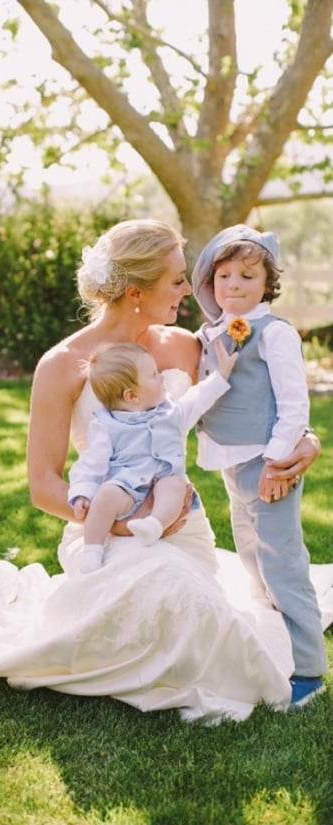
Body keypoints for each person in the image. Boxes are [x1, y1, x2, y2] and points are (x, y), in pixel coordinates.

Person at [0, 219, 332, 723]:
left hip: (180, 522)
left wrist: (305, 442)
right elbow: (44, 486)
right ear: (137, 292)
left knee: (184, 592)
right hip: (99, 526)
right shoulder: (62, 365)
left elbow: (246, 405)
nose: (191, 290)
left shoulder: (186, 346)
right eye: (178, 280)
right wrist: (113, 524)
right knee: (157, 583)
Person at [191, 223, 328, 708]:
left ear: (267, 283)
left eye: (247, 276)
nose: (232, 285)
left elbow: (293, 405)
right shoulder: (209, 333)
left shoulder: (275, 332)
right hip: (231, 461)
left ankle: (310, 669)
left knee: (282, 560)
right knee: (248, 550)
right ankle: (275, 633)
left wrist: (276, 463)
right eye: (223, 275)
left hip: (265, 462)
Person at [69, 340, 237, 572]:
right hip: (126, 485)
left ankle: (154, 524)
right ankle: (93, 550)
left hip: (164, 478)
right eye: (154, 375)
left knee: (174, 486)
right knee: (105, 496)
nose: (162, 378)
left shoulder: (172, 413)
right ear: (132, 396)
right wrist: (81, 493)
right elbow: (90, 463)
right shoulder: (107, 425)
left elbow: (199, 398)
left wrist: (222, 373)